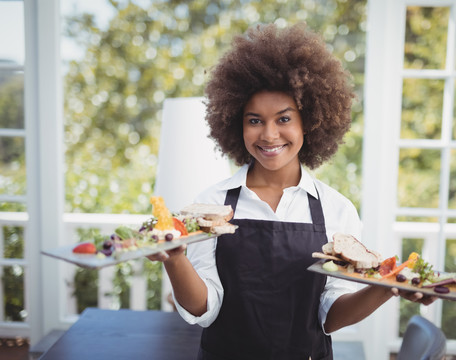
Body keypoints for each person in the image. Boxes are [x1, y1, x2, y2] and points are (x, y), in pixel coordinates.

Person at [149, 22, 435, 360]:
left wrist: (387, 288)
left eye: (284, 119)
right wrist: (175, 258)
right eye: (254, 120)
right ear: (236, 124)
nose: (269, 135)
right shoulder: (211, 205)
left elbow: (330, 317)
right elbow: (203, 309)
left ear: (310, 121)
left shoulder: (336, 209)